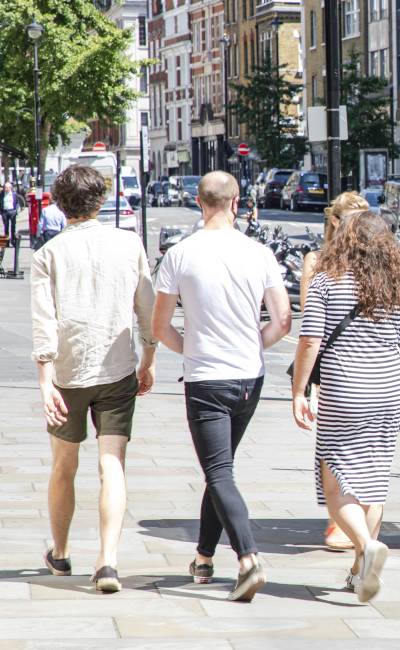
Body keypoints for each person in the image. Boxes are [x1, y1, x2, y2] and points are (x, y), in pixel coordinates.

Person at [151, 171, 292, 602]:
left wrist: (189, 348)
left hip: (207, 377)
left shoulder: (179, 254)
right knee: (221, 469)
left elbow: (159, 326)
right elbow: (283, 320)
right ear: (236, 203)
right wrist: (255, 344)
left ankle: (248, 559)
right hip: (249, 376)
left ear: (199, 201)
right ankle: (204, 557)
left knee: (218, 471)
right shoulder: (259, 252)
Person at [291, 209, 400, 604]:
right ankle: (360, 570)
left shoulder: (327, 281)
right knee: (373, 480)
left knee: (336, 477)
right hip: (389, 392)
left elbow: (309, 341)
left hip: (345, 389)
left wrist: (299, 391)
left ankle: (364, 545)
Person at [30, 165, 157, 593]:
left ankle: (61, 553)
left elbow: (44, 322)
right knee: (111, 464)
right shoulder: (129, 243)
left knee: (64, 465)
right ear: (101, 200)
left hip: (67, 373)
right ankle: (107, 562)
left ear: (59, 204)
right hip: (117, 368)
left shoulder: (47, 255)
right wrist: (149, 357)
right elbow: (147, 308)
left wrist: (46, 379)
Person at [299, 191, 369, 552]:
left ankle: (341, 524)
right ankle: (360, 533)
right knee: (368, 454)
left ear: (333, 221)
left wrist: (303, 387)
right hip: (374, 370)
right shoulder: (384, 262)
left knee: (335, 449)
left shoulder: (317, 261)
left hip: (334, 369)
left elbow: (312, 329)